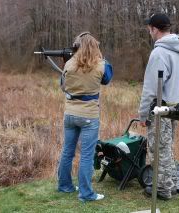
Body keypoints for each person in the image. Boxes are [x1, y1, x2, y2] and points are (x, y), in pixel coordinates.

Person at [138, 13, 179, 200]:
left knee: (159, 149)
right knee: (167, 147)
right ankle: (172, 184)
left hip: (160, 108)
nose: (148, 31)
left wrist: (143, 114)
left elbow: (151, 89)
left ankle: (162, 189)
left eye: (149, 28)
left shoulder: (159, 53)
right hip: (177, 108)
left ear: (154, 29)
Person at [57, 32, 113, 201]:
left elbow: (63, 86)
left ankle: (64, 185)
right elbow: (107, 80)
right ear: (95, 47)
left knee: (67, 151)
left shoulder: (68, 64)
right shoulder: (101, 65)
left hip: (70, 114)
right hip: (89, 116)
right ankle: (86, 194)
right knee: (87, 155)